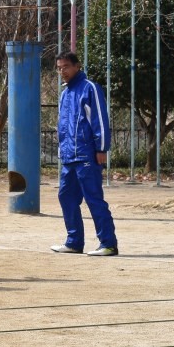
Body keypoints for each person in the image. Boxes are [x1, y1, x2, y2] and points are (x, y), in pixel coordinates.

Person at [52, 52, 118, 256]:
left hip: (87, 155)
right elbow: (62, 126)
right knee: (65, 196)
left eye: (66, 67)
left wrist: (101, 148)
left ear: (77, 66)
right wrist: (62, 151)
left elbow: (100, 120)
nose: (62, 71)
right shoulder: (65, 94)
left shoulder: (90, 88)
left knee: (93, 198)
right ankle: (74, 242)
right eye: (59, 68)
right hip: (69, 157)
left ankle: (108, 243)